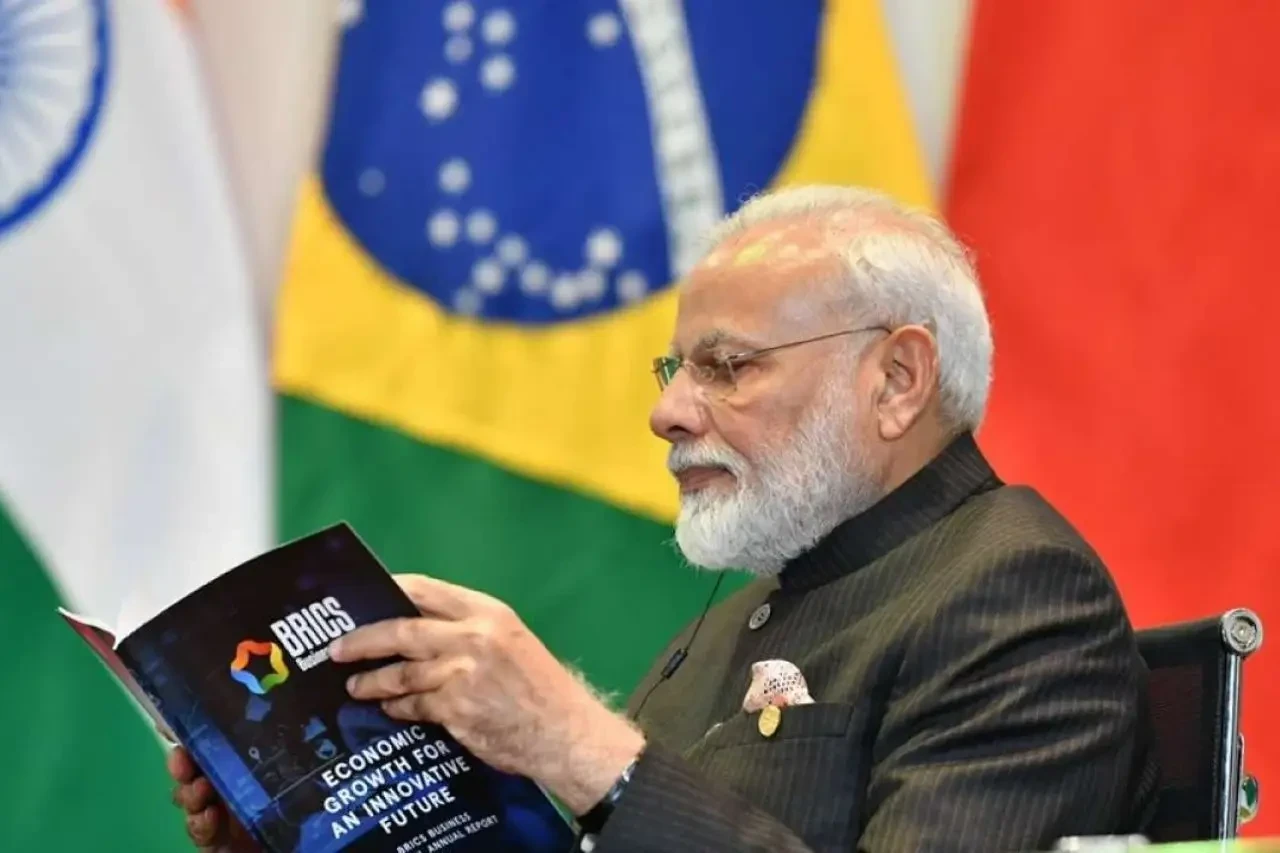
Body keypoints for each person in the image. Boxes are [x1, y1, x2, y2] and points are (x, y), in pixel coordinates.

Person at [168, 185, 1158, 852]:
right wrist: (310, 825)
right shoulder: (729, 625)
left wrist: (578, 746)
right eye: (676, 368)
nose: (669, 411)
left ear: (897, 378)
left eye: (726, 366)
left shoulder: (1018, 591)